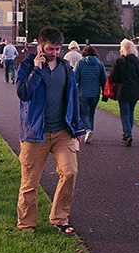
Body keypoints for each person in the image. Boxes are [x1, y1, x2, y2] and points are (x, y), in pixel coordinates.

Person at [16, 26, 86, 235]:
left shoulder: (65, 67)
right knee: (29, 182)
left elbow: (72, 97)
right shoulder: (28, 65)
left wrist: (78, 127)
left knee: (70, 172)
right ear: (40, 46)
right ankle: (27, 225)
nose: (54, 52)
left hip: (62, 132)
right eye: (50, 48)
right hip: (35, 133)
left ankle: (59, 218)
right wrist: (37, 69)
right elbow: (23, 93)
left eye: (57, 49)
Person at [109, 39, 139, 147]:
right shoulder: (137, 62)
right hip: (135, 91)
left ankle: (127, 134)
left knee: (124, 113)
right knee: (130, 112)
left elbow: (112, 77)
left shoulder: (119, 62)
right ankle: (128, 133)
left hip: (123, 91)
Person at [73, 46, 108, 144]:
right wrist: (104, 94)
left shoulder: (80, 63)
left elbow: (75, 79)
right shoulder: (99, 64)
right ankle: (90, 131)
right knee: (91, 113)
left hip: (83, 92)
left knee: (83, 114)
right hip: (95, 93)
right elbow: (103, 80)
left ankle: (88, 130)